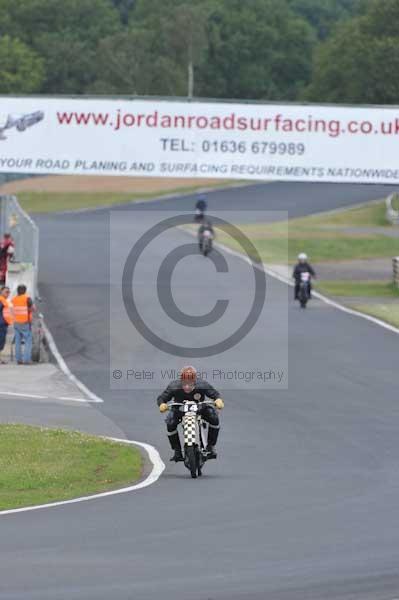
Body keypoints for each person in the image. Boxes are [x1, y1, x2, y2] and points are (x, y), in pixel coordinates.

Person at [157, 365, 225, 462]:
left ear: (195, 381)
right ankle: (177, 451)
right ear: (181, 381)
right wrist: (162, 404)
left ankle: (211, 446)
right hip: (179, 409)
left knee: (214, 417)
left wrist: (218, 400)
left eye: (190, 384)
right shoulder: (174, 386)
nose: (187, 387)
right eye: (184, 384)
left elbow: (215, 394)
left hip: (200, 408)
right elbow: (162, 397)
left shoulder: (202, 385)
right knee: (170, 422)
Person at [12, 284, 34, 365]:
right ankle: (26, 360)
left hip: (16, 322)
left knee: (17, 341)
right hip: (25, 323)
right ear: (25, 291)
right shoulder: (27, 298)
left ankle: (19, 360)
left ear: (17, 291)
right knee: (28, 341)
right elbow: (32, 308)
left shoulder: (14, 299)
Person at [0, 286, 13, 364]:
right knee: (1, 342)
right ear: (1, 292)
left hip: (3, 324)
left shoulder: (4, 301)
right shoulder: (1, 301)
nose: (8, 294)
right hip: (1, 324)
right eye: (6, 292)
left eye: (9, 292)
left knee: (2, 342)